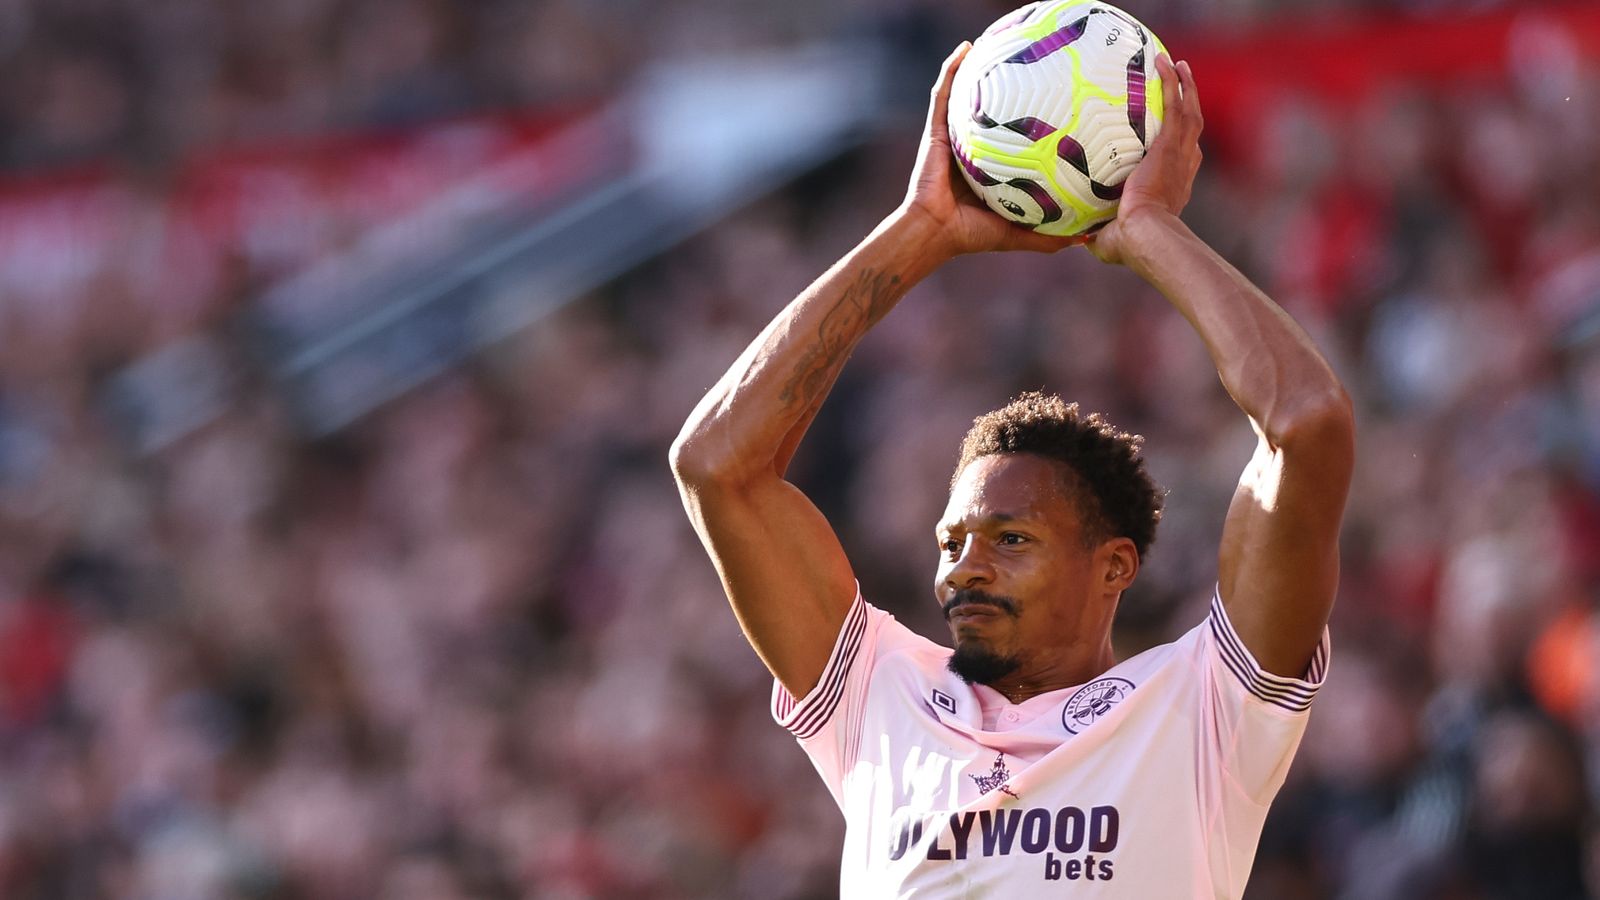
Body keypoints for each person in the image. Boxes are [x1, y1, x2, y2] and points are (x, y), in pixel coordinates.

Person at [669, 41, 1354, 898]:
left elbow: (1307, 424)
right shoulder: (881, 699)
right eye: (952, 541)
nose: (966, 567)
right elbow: (714, 466)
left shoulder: (1206, 709)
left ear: (1114, 565)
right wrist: (917, 234)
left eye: (1011, 537)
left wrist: (1151, 234)